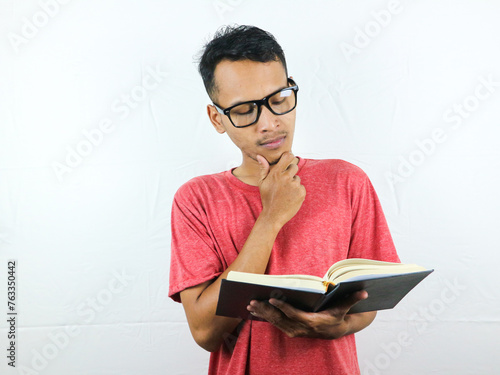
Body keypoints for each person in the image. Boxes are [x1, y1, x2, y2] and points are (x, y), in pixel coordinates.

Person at [168, 25, 400, 375]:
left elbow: (369, 301)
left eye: (278, 100)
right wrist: (271, 217)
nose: (269, 123)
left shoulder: (347, 181)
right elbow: (205, 331)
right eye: (245, 110)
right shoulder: (196, 199)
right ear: (217, 118)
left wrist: (342, 326)